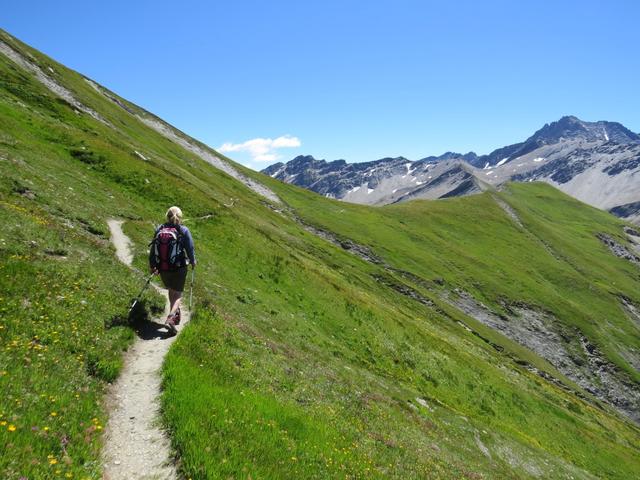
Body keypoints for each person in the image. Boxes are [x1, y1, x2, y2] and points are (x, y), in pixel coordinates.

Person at [149, 206, 196, 334]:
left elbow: (153, 249)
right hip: (179, 267)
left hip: (163, 267)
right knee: (178, 294)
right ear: (180, 217)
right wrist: (193, 261)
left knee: (171, 290)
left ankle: (173, 314)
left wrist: (152, 265)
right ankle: (171, 317)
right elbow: (190, 248)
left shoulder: (160, 229)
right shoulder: (183, 230)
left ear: (167, 216)